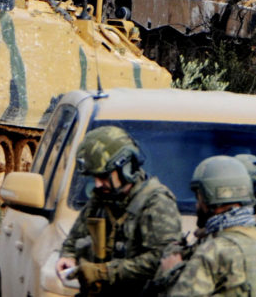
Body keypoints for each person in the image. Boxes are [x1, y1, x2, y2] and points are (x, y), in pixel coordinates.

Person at [55, 126, 182, 295]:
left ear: (125, 168)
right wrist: (68, 258)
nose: (98, 184)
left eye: (103, 176)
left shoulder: (156, 203)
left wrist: (103, 272)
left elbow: (161, 259)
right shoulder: (101, 199)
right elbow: (74, 238)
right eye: (95, 177)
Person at [158, 155, 256, 297]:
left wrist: (170, 272)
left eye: (198, 197)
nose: (197, 204)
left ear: (207, 196)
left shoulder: (213, 251)